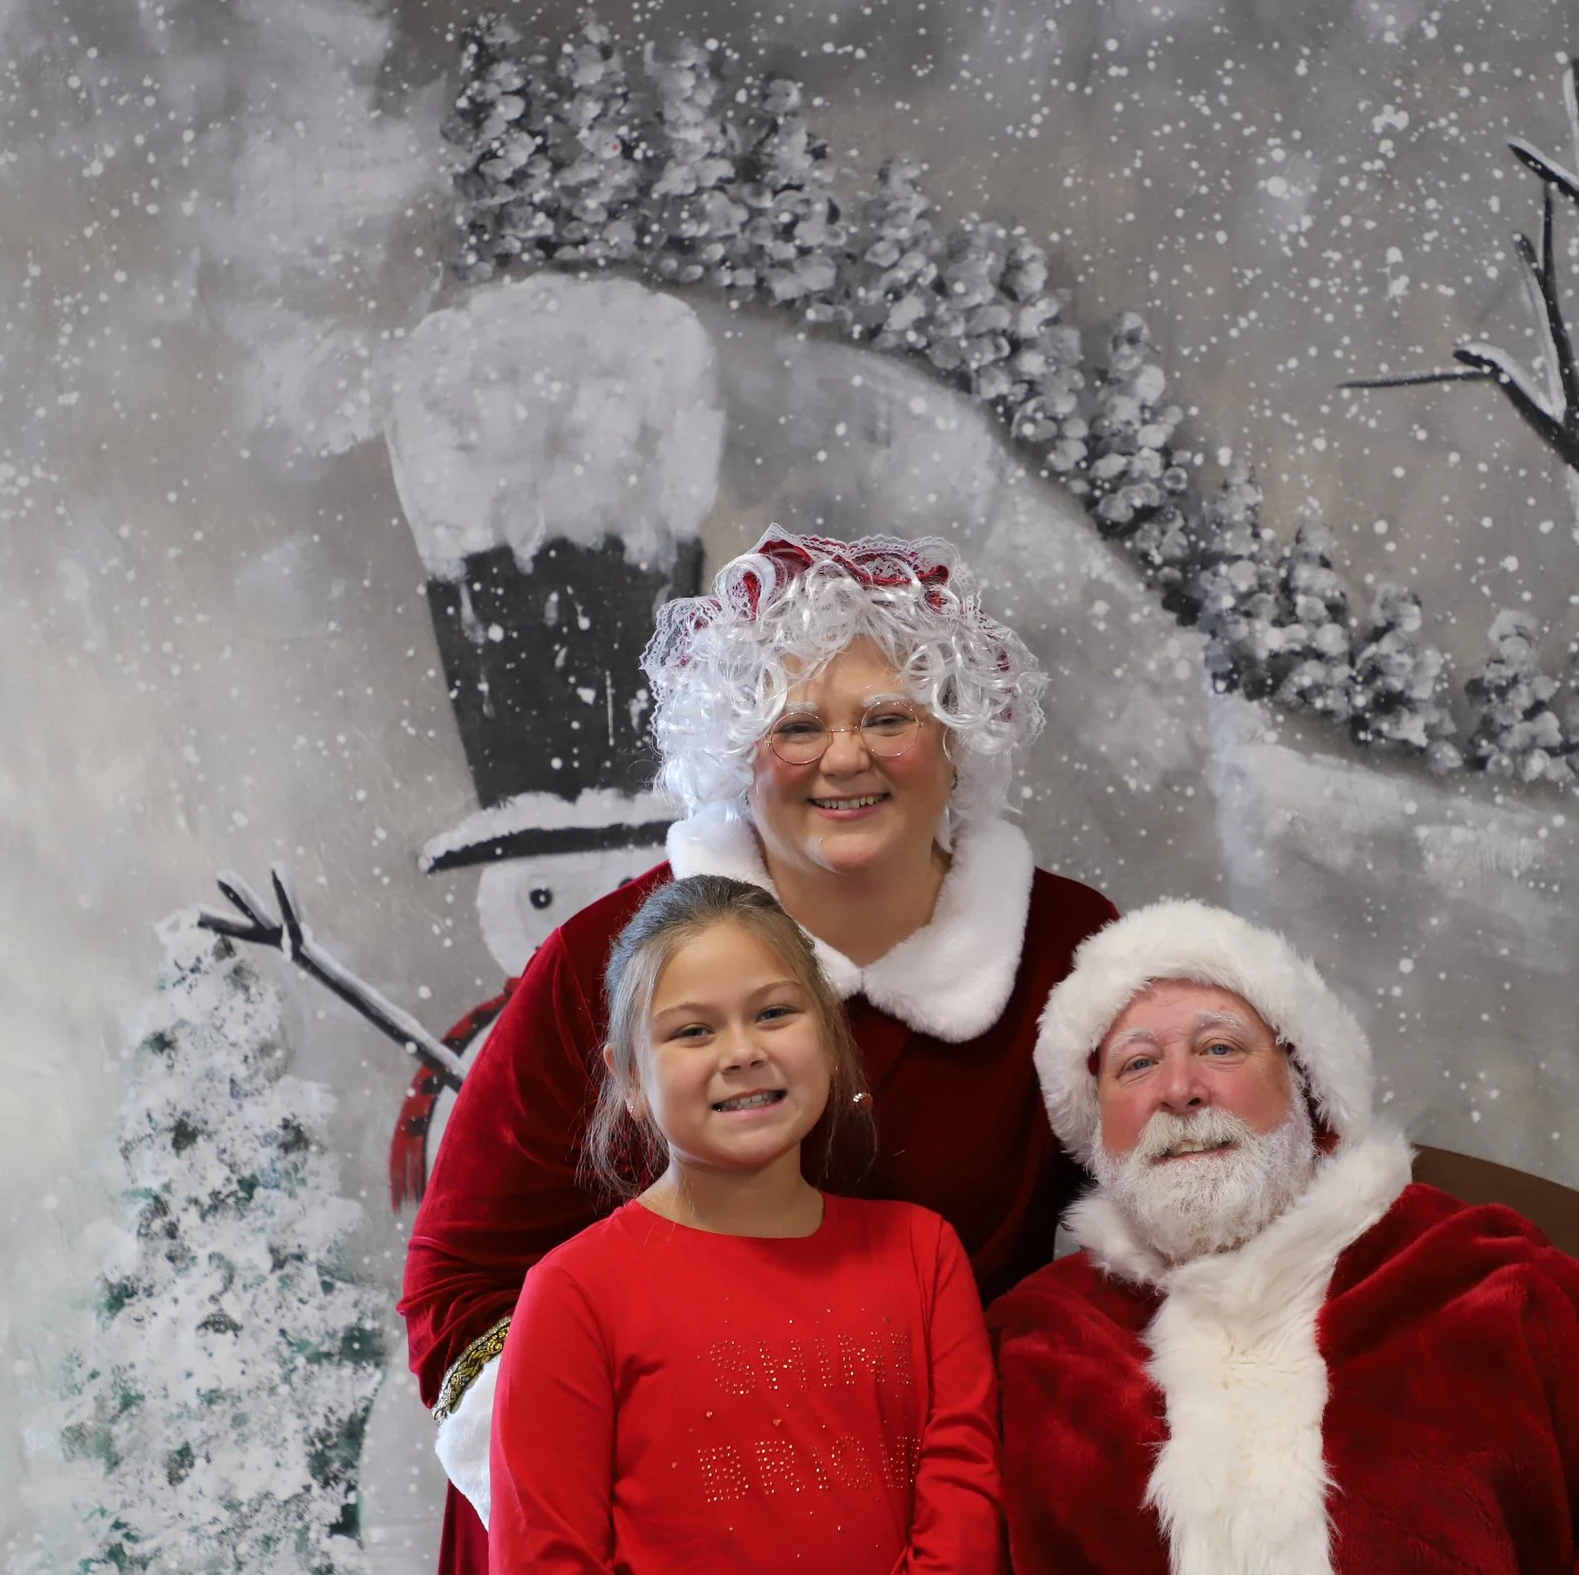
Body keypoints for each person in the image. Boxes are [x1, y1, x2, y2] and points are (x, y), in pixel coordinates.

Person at [403, 528, 1117, 1569]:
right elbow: (460, 1281)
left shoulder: (1070, 947)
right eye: (797, 725)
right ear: (736, 752)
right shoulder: (609, 957)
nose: (845, 757)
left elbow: (1159, 1229)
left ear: (958, 738)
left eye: (889, 717)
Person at [989, 900, 1579, 1575]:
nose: (1179, 1089)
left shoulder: (1512, 1299)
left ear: (1308, 1090)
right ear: (1097, 1125)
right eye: (1137, 1064)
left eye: (1220, 1048)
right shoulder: (1027, 1350)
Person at [488, 875, 1000, 1575]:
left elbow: (963, 1514)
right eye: (693, 1030)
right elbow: (545, 1556)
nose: (742, 1053)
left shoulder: (923, 1254)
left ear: (828, 1033)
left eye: (774, 1013)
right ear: (630, 1078)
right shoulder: (574, 1293)